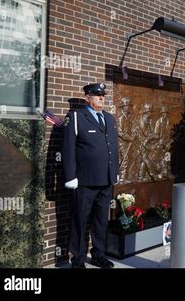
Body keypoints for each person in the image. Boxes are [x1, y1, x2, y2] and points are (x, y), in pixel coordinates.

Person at [62, 83, 119, 269]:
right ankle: (78, 259)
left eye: (103, 95)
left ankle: (98, 255)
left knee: (101, 221)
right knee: (80, 219)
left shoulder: (109, 119)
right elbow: (68, 149)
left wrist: (115, 172)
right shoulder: (76, 118)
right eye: (97, 95)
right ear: (87, 98)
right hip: (84, 182)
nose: (101, 98)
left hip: (106, 181)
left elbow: (113, 149)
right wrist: (70, 176)